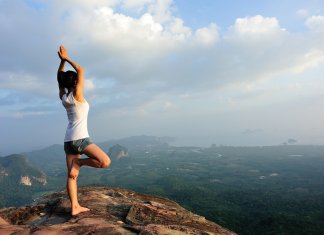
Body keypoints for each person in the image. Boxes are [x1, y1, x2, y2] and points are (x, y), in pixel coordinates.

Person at [57, 45, 111, 216]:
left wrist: (61, 63)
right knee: (105, 162)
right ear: (74, 82)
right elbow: (80, 69)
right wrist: (66, 59)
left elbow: (59, 79)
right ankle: (79, 163)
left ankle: (74, 207)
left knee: (71, 176)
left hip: (68, 141)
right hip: (80, 139)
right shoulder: (77, 96)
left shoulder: (64, 97)